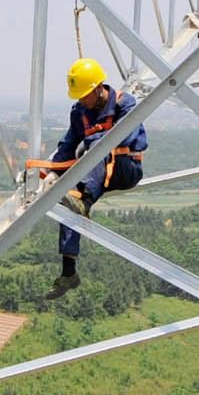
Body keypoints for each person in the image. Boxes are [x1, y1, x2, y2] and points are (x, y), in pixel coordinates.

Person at [32, 58, 147, 297]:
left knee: (99, 148)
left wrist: (92, 141)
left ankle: (82, 200)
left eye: (85, 94)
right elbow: (68, 145)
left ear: (98, 88)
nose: (81, 99)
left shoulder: (124, 104)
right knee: (69, 195)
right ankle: (68, 272)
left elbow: (126, 137)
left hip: (125, 168)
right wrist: (52, 172)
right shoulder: (80, 111)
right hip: (94, 175)